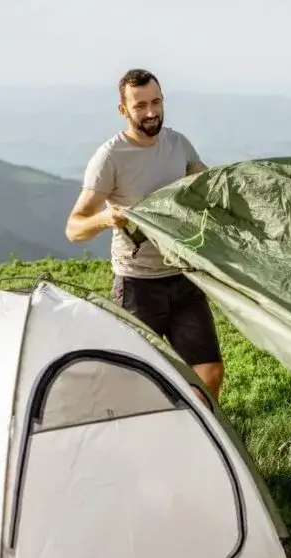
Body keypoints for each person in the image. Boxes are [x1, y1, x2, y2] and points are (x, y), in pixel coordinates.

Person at [65, 68, 224, 401]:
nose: (151, 112)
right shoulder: (110, 157)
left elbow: (208, 188)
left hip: (182, 277)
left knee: (209, 372)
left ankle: (196, 434)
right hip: (138, 285)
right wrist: (107, 219)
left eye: (156, 102)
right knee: (134, 381)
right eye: (140, 106)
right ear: (123, 110)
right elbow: (74, 227)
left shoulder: (178, 144)